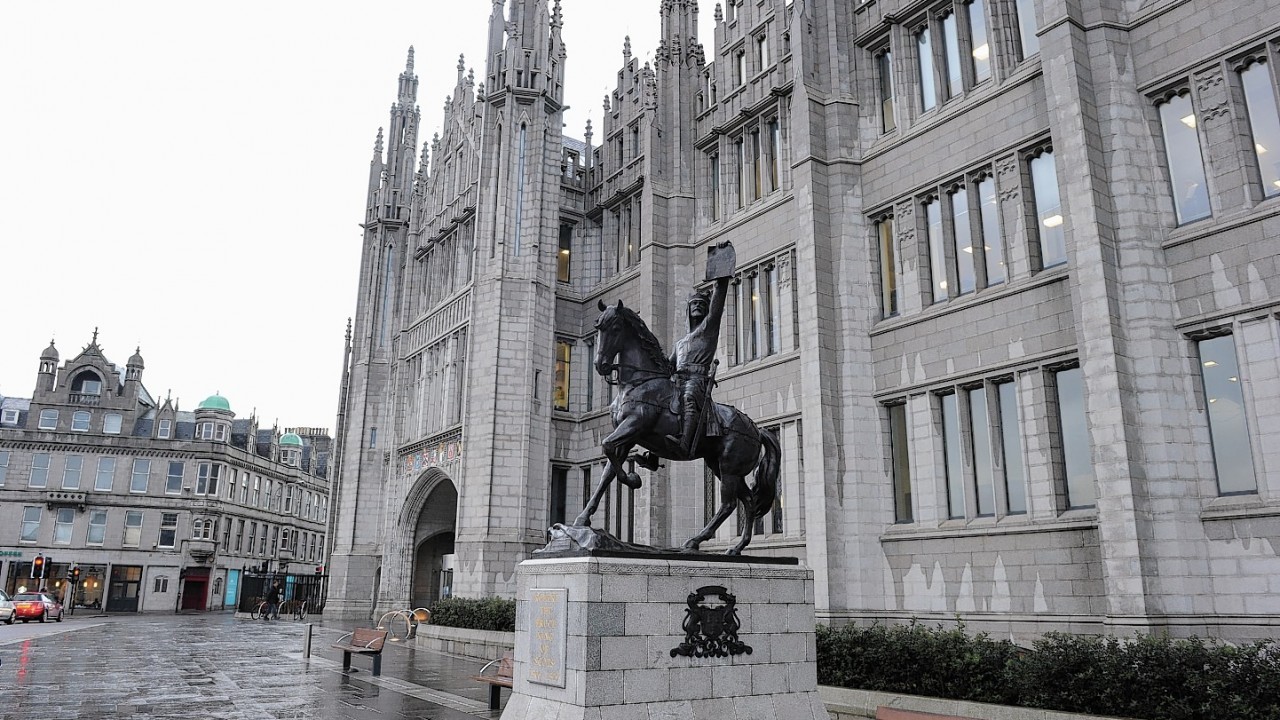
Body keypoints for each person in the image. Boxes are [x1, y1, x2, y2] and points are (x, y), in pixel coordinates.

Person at [665, 242, 736, 456]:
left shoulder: (708, 330)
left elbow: (718, 301)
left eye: (701, 304)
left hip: (696, 382)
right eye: (693, 304)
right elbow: (667, 366)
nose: (697, 306)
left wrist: (720, 267)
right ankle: (653, 453)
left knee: (687, 398)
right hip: (677, 380)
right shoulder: (680, 343)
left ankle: (684, 443)